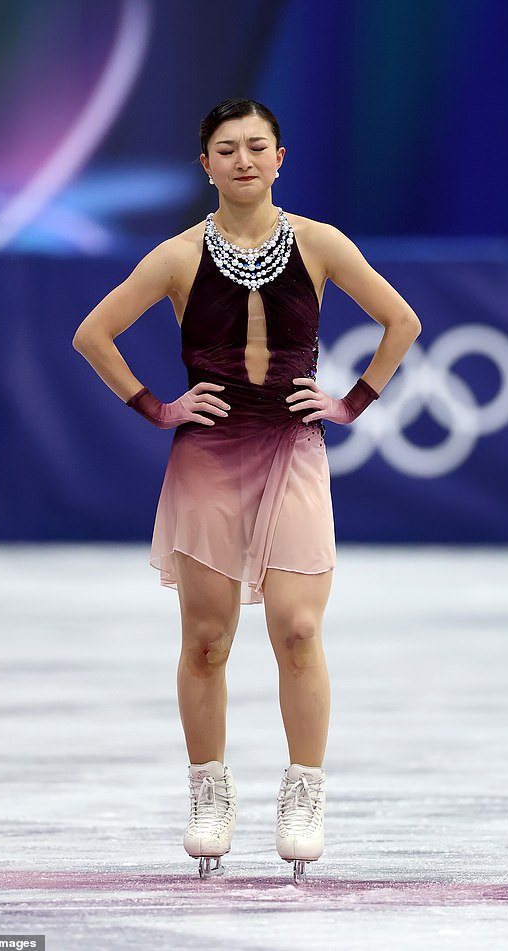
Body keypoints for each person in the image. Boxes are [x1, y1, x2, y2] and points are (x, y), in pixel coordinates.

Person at [72, 97, 421, 880]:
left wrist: (352, 401)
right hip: (207, 459)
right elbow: (92, 333)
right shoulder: (175, 256)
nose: (242, 160)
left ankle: (304, 790)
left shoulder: (323, 244)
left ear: (280, 157)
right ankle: (209, 791)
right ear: (206, 165)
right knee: (206, 638)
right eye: (225, 149)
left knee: (298, 629)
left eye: (256, 147)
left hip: (293, 450)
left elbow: (401, 321)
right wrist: (156, 406)